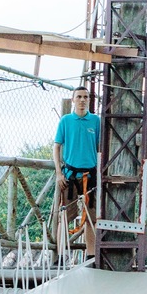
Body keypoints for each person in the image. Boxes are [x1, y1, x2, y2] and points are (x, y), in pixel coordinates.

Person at [53, 86, 100, 255]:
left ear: (89, 100)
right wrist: (59, 172)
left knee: (91, 217)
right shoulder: (66, 121)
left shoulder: (95, 121)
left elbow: (100, 147)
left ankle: (91, 255)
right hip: (70, 175)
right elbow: (57, 147)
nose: (82, 100)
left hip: (90, 175)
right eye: (79, 96)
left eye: (85, 97)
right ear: (73, 99)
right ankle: (60, 255)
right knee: (65, 216)